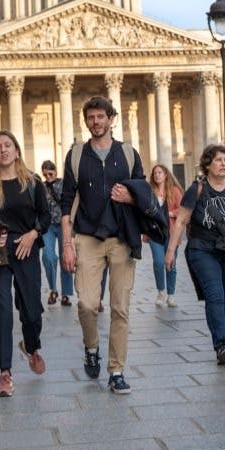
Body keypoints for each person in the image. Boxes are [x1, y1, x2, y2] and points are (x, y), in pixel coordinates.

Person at [60, 96, 147, 395]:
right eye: (91, 117)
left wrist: (131, 198)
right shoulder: (75, 156)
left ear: (111, 119)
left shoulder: (128, 153)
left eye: (101, 117)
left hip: (121, 237)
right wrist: (66, 245)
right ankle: (91, 346)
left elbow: (144, 191)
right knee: (86, 303)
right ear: (85, 121)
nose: (96, 122)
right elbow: (65, 202)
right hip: (86, 236)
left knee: (120, 308)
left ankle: (117, 370)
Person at [0, 131, 54, 398]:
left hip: (26, 249)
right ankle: (4, 373)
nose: (3, 150)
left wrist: (33, 234)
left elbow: (45, 215)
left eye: (8, 146)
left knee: (32, 311)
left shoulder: (32, 183)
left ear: (17, 151)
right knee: (1, 311)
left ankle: (31, 345)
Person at [167, 145, 225, 365]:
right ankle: (222, 343)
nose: (224, 163)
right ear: (207, 165)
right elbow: (182, 220)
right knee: (215, 294)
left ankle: (223, 335)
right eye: (218, 160)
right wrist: (171, 251)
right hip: (202, 249)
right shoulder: (196, 189)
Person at [147, 164, 182, 307]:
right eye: (155, 173)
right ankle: (161, 291)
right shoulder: (150, 192)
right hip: (155, 233)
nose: (157, 175)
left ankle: (171, 295)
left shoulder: (174, 191)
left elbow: (183, 210)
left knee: (171, 264)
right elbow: (144, 210)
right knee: (159, 262)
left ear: (166, 174)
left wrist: (171, 214)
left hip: (172, 233)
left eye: (159, 172)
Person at [40, 160, 70, 306]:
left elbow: (65, 199)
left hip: (63, 224)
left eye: (50, 173)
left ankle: (66, 294)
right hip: (48, 226)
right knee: (48, 257)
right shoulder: (41, 186)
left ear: (55, 172)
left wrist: (53, 184)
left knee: (66, 257)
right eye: (45, 174)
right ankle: (53, 289)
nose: (47, 176)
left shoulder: (63, 183)